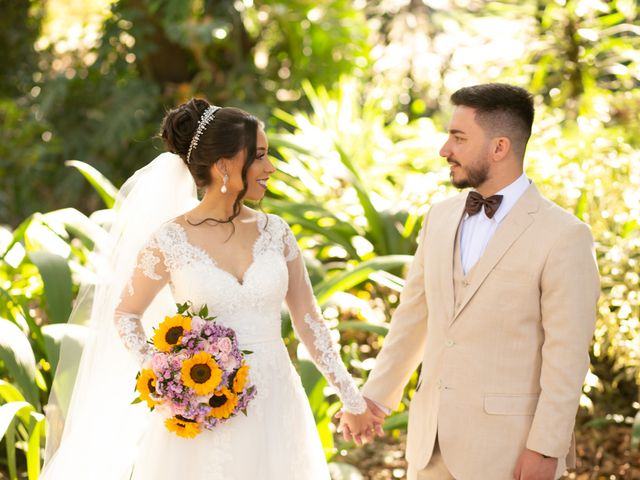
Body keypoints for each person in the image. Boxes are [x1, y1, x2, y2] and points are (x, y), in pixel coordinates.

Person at [41, 99, 383, 479]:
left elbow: (309, 321)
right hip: (202, 412)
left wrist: (351, 398)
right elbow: (125, 314)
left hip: (275, 405)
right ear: (224, 166)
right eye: (260, 157)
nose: (271, 168)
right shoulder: (171, 239)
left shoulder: (276, 233)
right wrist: (167, 377)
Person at [338, 83, 600, 480]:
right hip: (430, 445)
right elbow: (413, 318)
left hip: (509, 451)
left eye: (458, 138)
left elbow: (567, 356)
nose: (445, 150)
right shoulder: (439, 217)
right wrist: (374, 399)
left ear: (499, 147)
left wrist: (546, 447)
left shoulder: (564, 236)